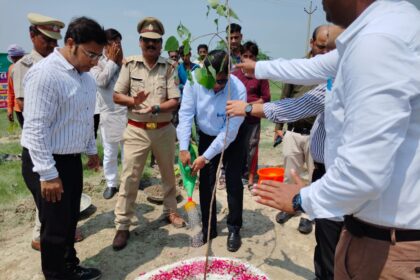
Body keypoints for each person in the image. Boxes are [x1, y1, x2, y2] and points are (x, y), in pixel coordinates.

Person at [250, 1, 420, 278]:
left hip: (387, 246)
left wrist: (301, 199)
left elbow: (363, 173)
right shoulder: (384, 30)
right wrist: (256, 68)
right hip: (370, 228)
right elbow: (307, 69)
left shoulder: (379, 41)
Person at [21, 16, 106, 280]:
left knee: (70, 219)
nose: (94, 62)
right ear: (71, 43)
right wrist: (48, 174)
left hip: (70, 161)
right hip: (45, 161)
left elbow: (85, 119)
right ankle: (55, 274)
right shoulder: (45, 75)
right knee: (54, 226)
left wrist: (91, 150)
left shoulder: (87, 79)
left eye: (98, 56)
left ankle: (70, 265)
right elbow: (35, 130)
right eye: (91, 54)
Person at [112, 16, 185, 251]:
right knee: (130, 178)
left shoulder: (168, 67)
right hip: (136, 130)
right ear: (140, 41)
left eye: (155, 41)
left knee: (168, 176)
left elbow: (175, 100)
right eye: (147, 41)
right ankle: (123, 225)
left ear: (161, 43)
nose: (151, 45)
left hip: (163, 130)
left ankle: (171, 212)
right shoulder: (130, 65)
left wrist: (155, 107)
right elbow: (116, 95)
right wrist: (134, 100)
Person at [177, 49, 246, 252]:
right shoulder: (194, 81)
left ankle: (234, 227)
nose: (217, 85)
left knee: (233, 182)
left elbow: (230, 131)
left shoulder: (237, 89)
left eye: (222, 81)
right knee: (207, 185)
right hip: (206, 136)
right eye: (213, 80)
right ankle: (209, 228)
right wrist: (183, 147)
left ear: (229, 75)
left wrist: (205, 157)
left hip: (231, 138)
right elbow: (186, 113)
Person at [12, 13, 66, 252]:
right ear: (32, 36)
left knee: (53, 199)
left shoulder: (57, 63)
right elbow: (24, 106)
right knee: (44, 195)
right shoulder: (26, 66)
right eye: (47, 40)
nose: (53, 45)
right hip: (38, 144)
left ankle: (53, 234)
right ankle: (41, 238)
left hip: (56, 144)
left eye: (56, 40)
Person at [273, 25, 330, 235]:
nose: (324, 52)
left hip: (319, 133)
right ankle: (290, 205)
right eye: (321, 46)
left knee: (315, 175)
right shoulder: (298, 68)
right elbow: (285, 98)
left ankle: (308, 215)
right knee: (290, 172)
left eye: (328, 48)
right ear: (312, 43)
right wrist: (278, 128)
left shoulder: (332, 71)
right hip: (294, 131)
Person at [90, 28, 126, 200]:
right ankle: (111, 183)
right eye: (114, 42)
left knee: (129, 151)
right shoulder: (97, 63)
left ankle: (129, 181)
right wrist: (112, 61)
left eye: (119, 42)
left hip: (126, 112)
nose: (117, 46)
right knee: (110, 152)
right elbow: (101, 81)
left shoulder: (125, 62)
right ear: (105, 45)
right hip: (109, 113)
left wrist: (121, 63)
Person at [231, 41, 270, 188]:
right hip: (236, 118)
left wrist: (248, 107)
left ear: (255, 58)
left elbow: (265, 98)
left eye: (251, 56)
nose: (247, 59)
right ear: (240, 57)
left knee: (252, 147)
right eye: (245, 56)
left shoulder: (261, 76)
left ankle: (251, 177)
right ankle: (237, 174)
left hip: (253, 118)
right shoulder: (234, 76)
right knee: (236, 146)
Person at [6, 44, 25, 124]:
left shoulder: (31, 66)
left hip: (31, 105)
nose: (14, 59)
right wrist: (10, 108)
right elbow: (11, 90)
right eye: (13, 57)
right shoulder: (11, 69)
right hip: (19, 108)